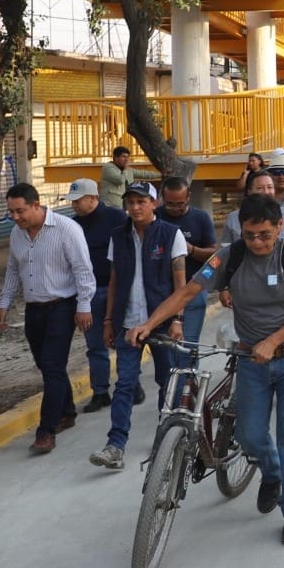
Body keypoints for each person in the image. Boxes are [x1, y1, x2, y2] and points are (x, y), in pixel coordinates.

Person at [132, 194, 284, 545]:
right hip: (251, 361)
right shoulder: (229, 256)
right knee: (249, 435)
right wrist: (149, 323)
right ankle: (272, 472)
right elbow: (188, 291)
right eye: (250, 235)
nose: (258, 242)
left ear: (280, 227)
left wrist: (274, 340)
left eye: (265, 234)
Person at [88, 182, 187, 471]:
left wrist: (177, 320)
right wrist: (108, 322)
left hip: (162, 324)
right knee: (125, 384)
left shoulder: (171, 235)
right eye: (130, 202)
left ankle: (165, 439)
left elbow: (181, 285)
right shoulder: (118, 237)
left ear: (154, 204)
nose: (135, 207)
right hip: (128, 324)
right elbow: (115, 280)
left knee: (166, 382)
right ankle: (115, 446)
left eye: (141, 201)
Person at [0, 183, 98, 455]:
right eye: (11, 213)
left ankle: (46, 430)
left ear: (36, 204)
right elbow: (13, 271)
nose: (15, 218)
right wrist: (4, 302)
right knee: (46, 365)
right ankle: (66, 411)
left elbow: (83, 270)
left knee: (52, 366)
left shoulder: (66, 229)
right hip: (34, 310)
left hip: (61, 307)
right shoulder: (18, 235)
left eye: (20, 211)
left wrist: (84, 306)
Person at [69, 178, 129, 413]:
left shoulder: (118, 219)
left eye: (78, 200)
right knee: (95, 345)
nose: (73, 205)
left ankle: (129, 386)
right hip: (88, 293)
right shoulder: (73, 226)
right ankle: (101, 392)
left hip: (117, 290)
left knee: (124, 342)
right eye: (71, 201)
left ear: (93, 198)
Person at [156, 176, 217, 347]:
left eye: (180, 204)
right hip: (161, 289)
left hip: (192, 289)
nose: (175, 208)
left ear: (188, 197)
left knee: (187, 345)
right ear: (162, 198)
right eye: (170, 204)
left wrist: (190, 249)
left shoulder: (200, 218)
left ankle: (188, 374)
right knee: (165, 347)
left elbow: (214, 253)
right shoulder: (155, 216)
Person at [221, 171, 284, 245]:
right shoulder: (233, 217)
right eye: (260, 188)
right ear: (249, 191)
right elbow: (226, 249)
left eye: (269, 187)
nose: (266, 192)